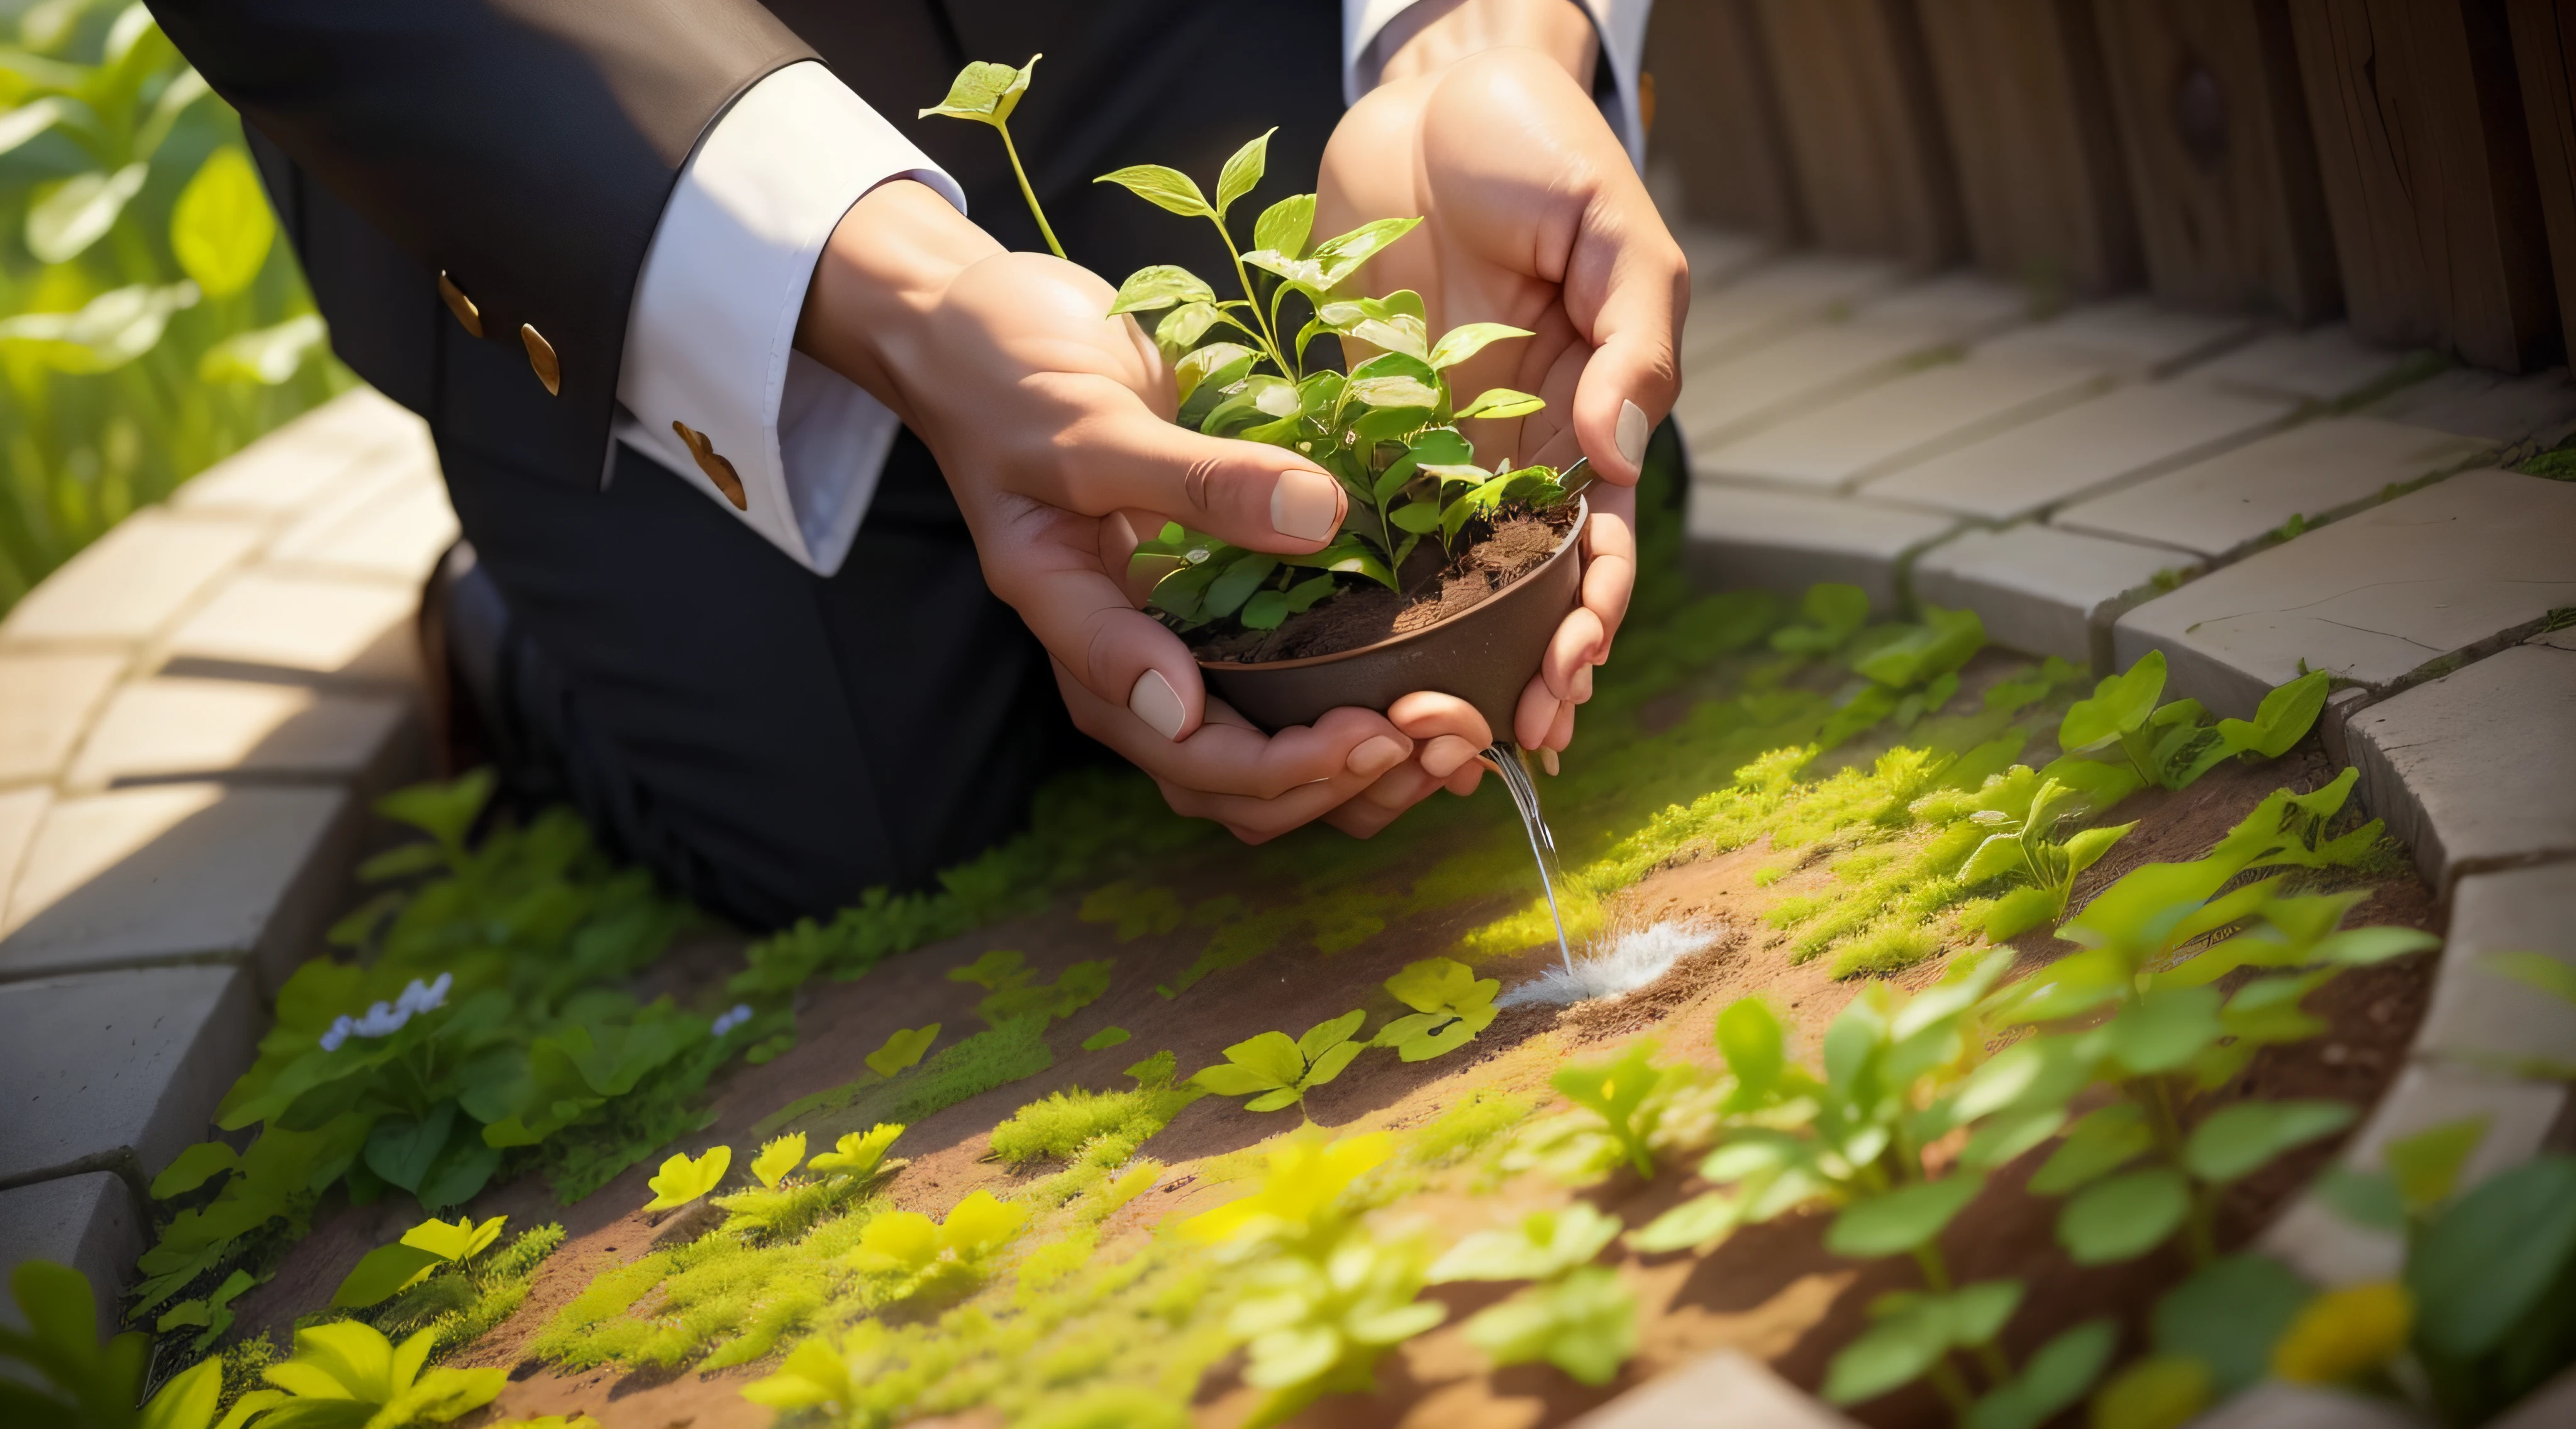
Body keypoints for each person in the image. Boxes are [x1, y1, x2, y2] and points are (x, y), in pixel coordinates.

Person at [145, 0, 1687, 929]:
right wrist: (911, 298)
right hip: (601, 77)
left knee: (1501, 481)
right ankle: (493, 622)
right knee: (862, 820)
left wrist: (1469, 40)